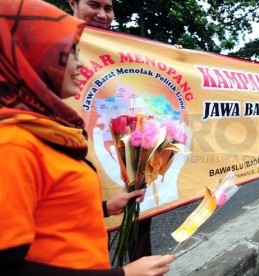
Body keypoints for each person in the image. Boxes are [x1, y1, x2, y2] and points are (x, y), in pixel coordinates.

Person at [0, 1, 174, 275]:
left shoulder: (45, 128)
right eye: (69, 52)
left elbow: (51, 215)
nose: (81, 65)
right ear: (33, 57)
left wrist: (107, 207)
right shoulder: (12, 143)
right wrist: (123, 274)